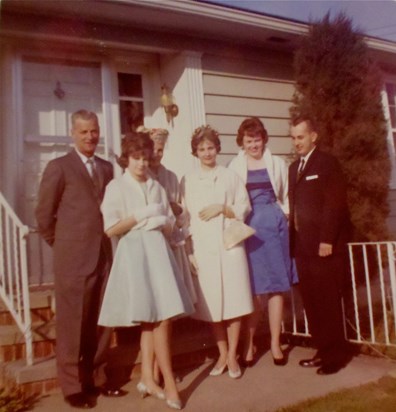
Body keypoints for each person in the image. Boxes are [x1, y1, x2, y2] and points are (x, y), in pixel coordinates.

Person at [98, 131, 194, 410]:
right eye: (136, 158)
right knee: (153, 319)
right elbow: (110, 229)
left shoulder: (156, 186)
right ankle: (168, 384)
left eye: (145, 158)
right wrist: (140, 216)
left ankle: (150, 380)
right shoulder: (117, 187)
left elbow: (169, 224)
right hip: (134, 255)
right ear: (126, 159)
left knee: (161, 317)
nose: (141, 163)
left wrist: (163, 219)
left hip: (158, 253)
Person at [35, 110, 123, 409]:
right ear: (73, 133)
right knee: (73, 324)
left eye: (94, 131)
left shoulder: (107, 168)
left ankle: (97, 379)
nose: (90, 137)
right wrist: (62, 247)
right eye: (84, 132)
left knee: (102, 322)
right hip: (72, 259)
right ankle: (72, 387)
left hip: (103, 256)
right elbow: (44, 216)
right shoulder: (59, 167)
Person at [180, 125, 253, 379]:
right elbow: (184, 218)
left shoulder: (229, 176)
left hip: (229, 247)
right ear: (195, 152)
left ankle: (233, 355)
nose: (207, 153)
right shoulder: (188, 180)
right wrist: (189, 251)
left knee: (234, 302)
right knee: (213, 305)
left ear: (217, 149)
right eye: (201, 149)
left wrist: (222, 207)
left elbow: (244, 205)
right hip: (204, 249)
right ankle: (222, 352)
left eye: (210, 147)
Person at [228, 117, 297, 367]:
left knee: (277, 286)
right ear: (242, 142)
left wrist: (285, 215)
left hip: (275, 226)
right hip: (251, 229)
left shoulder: (276, 163)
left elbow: (285, 194)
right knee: (256, 290)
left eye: (257, 139)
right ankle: (249, 342)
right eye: (249, 140)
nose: (253, 145)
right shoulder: (234, 166)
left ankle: (275, 343)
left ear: (263, 139)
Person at [289, 116, 351, 375]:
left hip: (323, 247)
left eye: (300, 137)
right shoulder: (294, 168)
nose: (296, 143)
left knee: (327, 302)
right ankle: (322, 350)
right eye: (293, 138)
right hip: (303, 248)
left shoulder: (327, 163)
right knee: (312, 304)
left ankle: (335, 357)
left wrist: (327, 239)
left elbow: (334, 204)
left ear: (313, 136)